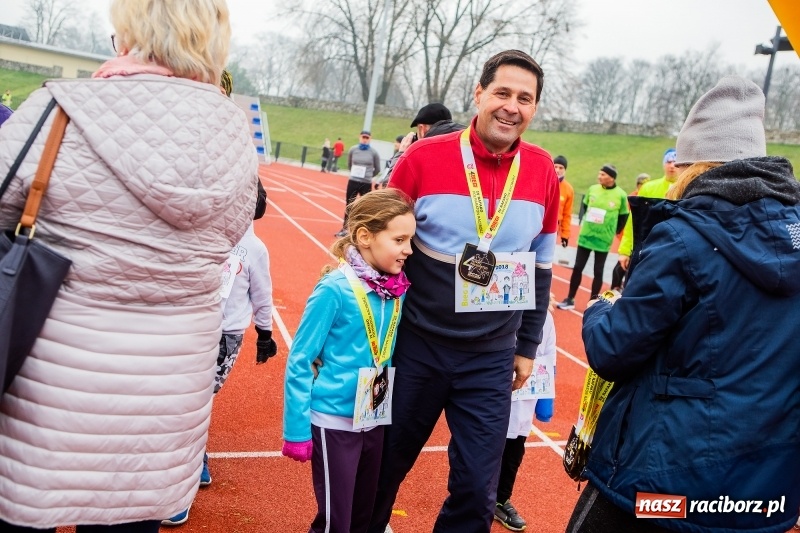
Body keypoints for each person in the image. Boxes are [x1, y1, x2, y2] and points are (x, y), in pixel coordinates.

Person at [0, 1, 258, 531]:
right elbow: (232, 234)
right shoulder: (235, 135)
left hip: (53, 385)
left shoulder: (58, 108)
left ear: (127, 33)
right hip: (164, 400)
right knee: (130, 515)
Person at [567, 75, 800, 533]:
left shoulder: (682, 235)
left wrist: (599, 310)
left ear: (696, 165)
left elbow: (614, 350)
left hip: (666, 486)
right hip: (762, 495)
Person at [367, 49, 559, 533]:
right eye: (502, 93)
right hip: (415, 347)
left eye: (524, 98)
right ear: (479, 94)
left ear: (534, 108)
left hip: (491, 356)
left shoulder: (542, 173)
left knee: (477, 491)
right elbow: (374, 248)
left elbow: (540, 268)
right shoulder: (422, 157)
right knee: (380, 471)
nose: (511, 106)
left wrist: (528, 347)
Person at [282, 189, 416, 533]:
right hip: (334, 422)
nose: (408, 249)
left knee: (362, 516)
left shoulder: (394, 291)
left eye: (410, 240)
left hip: (372, 417)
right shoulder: (334, 289)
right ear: (364, 237)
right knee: (335, 522)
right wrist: (296, 431)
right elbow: (300, 359)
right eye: (399, 239)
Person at [494, 308, 556, 532]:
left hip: (526, 396)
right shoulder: (503, 310)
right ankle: (474, 494)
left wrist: (545, 405)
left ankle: (501, 500)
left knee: (514, 450)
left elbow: (550, 356)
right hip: (493, 395)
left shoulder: (545, 317)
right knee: (484, 447)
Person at [556, 165, 628, 310]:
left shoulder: (620, 195)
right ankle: (570, 299)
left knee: (598, 271)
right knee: (577, 268)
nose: (599, 176)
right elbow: (584, 206)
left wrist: (613, 231)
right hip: (586, 236)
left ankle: (592, 303)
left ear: (611, 177)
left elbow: (624, 216)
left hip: (603, 240)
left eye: (602, 174)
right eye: (599, 173)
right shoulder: (592, 189)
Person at [616, 148, 680, 275]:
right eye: (668, 162)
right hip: (646, 250)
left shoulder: (688, 189)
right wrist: (625, 250)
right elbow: (633, 221)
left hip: (674, 251)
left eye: (675, 162)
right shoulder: (648, 188)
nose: (672, 166)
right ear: (663, 164)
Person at [378, 102, 466, 187]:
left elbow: (391, 189)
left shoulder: (423, 153)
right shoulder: (465, 143)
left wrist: (401, 154)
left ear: (421, 129)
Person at [334, 131, 381, 237]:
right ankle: (345, 229)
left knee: (365, 207)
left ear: (370, 139)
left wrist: (368, 175)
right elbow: (349, 164)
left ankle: (363, 231)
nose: (365, 139)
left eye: (367, 138)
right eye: (363, 137)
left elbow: (377, 169)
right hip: (353, 181)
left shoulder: (373, 152)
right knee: (349, 205)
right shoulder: (353, 150)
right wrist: (355, 174)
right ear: (360, 138)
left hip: (366, 182)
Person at [609, 172, 649, 290]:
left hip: (638, 240)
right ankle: (614, 288)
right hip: (627, 237)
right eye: (642, 184)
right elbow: (628, 218)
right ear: (638, 185)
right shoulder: (632, 198)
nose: (644, 186)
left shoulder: (647, 197)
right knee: (619, 268)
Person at [554, 155, 574, 248]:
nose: (557, 170)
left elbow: (567, 214)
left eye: (561, 167)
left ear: (565, 170)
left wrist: (565, 235)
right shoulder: (544, 182)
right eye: (555, 166)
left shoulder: (568, 189)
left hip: (554, 227)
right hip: (539, 222)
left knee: (544, 258)